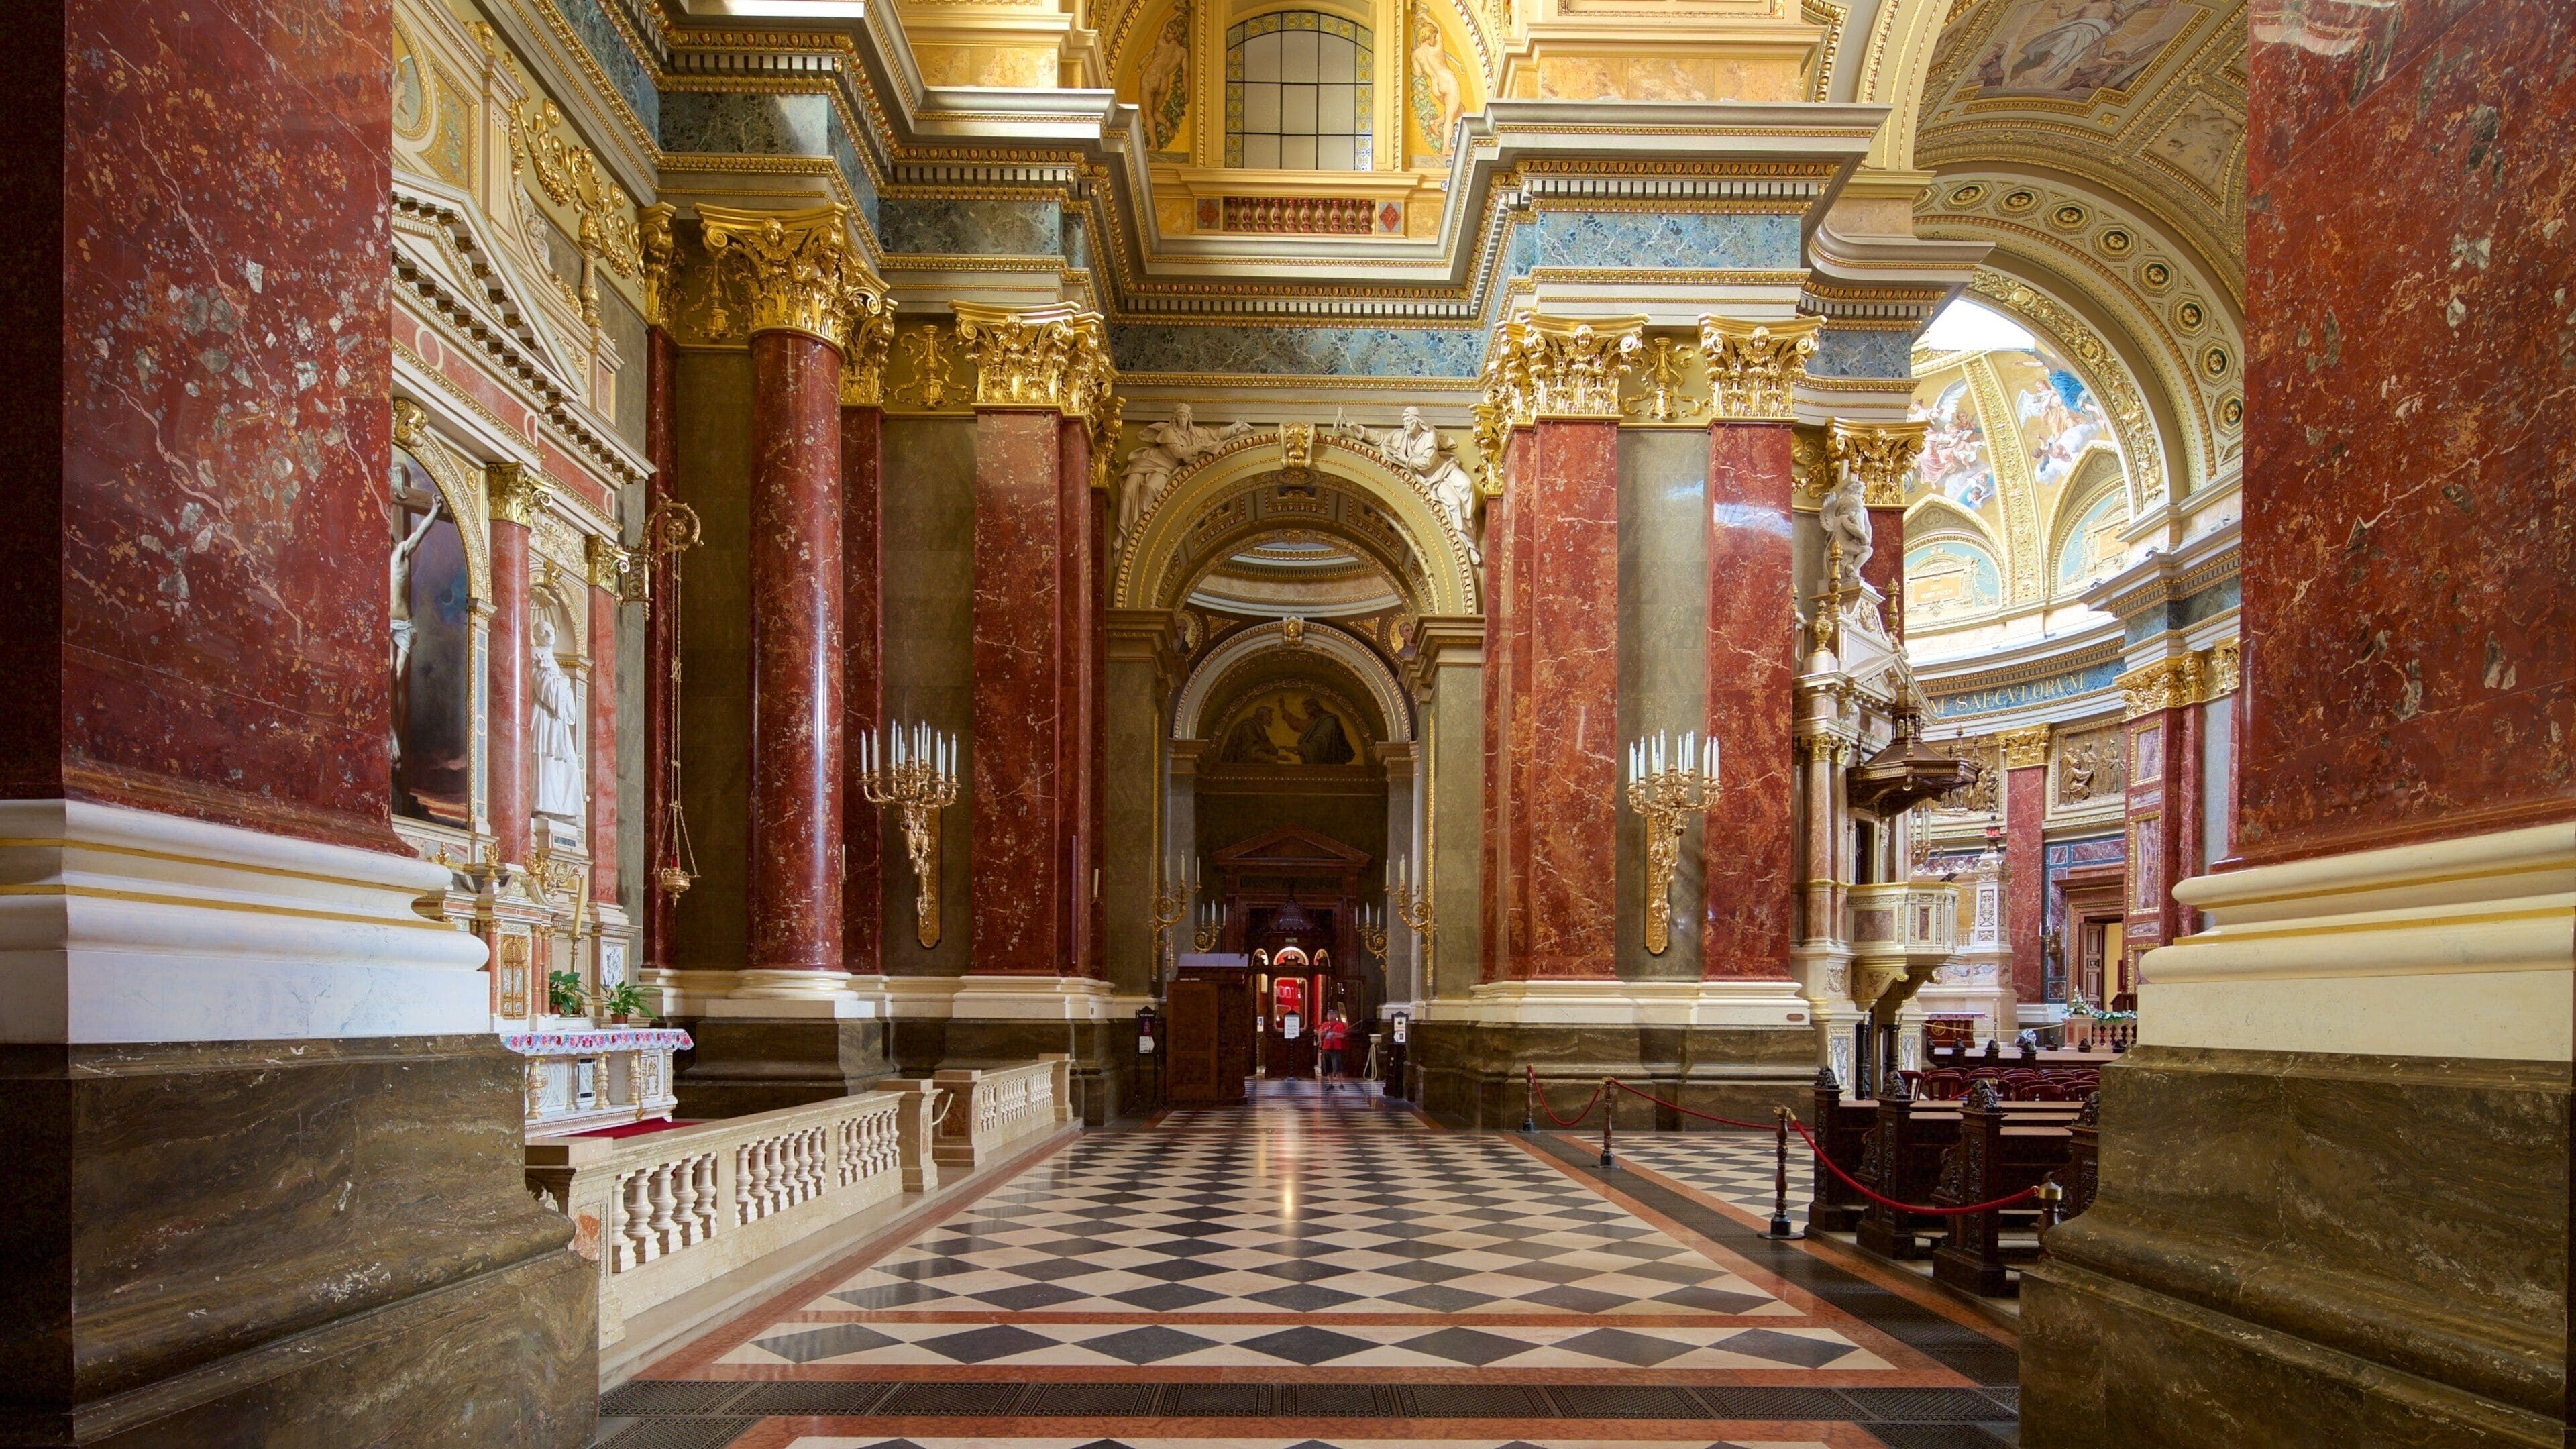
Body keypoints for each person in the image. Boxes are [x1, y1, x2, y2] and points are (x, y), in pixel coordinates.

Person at [1317, 1008, 1349, 1090]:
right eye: (1329, 1014)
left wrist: (1335, 1034)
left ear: (1335, 1016)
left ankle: (1341, 1084)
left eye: (1332, 1014)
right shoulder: (1325, 1025)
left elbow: (1343, 1036)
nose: (1330, 1016)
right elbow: (1320, 1035)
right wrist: (1324, 1031)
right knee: (1328, 1068)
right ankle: (1331, 1084)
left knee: (1337, 1068)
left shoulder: (1339, 1025)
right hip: (1326, 1048)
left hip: (1335, 1048)